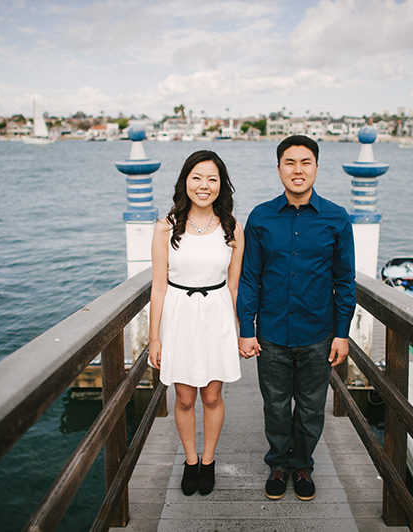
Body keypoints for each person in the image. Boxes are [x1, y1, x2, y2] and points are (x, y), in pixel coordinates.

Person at [237, 135, 356, 501]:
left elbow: (344, 280)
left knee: (310, 408)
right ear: (278, 169)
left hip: (318, 334)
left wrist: (342, 333)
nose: (298, 170)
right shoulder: (260, 217)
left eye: (306, 162)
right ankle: (278, 464)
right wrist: (246, 329)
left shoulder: (336, 218)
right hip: (271, 334)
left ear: (317, 168)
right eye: (290, 162)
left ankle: (302, 464)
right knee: (274, 406)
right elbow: (249, 277)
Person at [149, 149, 244, 496]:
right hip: (179, 316)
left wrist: (242, 332)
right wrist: (154, 338)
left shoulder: (233, 229)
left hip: (216, 315)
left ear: (222, 185)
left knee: (212, 396)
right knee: (185, 397)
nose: (204, 185)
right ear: (185, 181)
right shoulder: (165, 228)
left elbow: (234, 286)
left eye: (212, 179)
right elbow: (159, 287)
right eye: (197, 177)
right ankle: (190, 460)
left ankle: (209, 458)